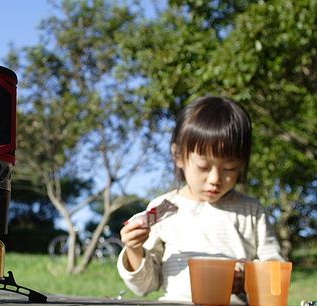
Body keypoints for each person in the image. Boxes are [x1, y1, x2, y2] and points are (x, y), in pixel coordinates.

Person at [117, 96, 284, 305]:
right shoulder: (161, 210)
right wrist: (134, 249)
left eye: (229, 168)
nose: (215, 179)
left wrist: (249, 280)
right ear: (178, 156)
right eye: (204, 167)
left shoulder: (251, 210)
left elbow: (276, 276)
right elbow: (145, 286)